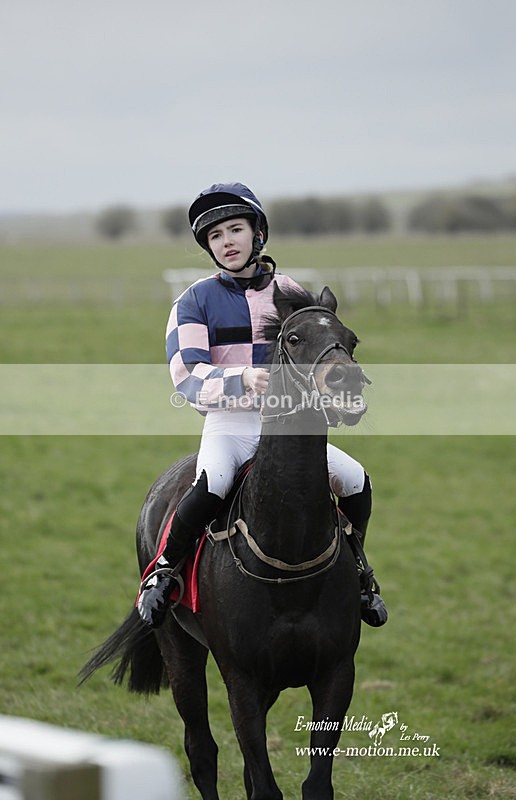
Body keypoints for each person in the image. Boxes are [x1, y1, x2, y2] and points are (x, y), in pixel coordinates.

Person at [137, 182, 387, 629]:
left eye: (235, 229)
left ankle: (358, 571)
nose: (227, 241)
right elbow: (187, 376)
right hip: (230, 424)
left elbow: (316, 355)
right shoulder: (194, 300)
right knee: (211, 484)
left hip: (289, 423)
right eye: (215, 236)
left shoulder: (289, 291)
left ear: (259, 234)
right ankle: (163, 572)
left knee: (355, 480)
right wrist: (242, 379)